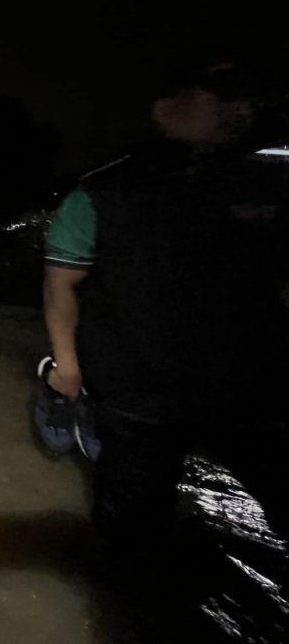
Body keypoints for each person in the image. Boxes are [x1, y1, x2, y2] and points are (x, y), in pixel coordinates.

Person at [42, 60, 289, 546]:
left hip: (254, 388)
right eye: (217, 98)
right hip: (138, 395)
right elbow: (60, 284)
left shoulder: (272, 178)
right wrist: (67, 367)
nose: (237, 110)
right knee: (131, 527)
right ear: (165, 109)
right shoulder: (103, 191)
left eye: (244, 99)